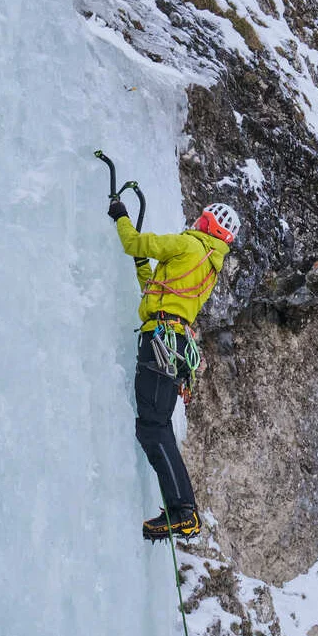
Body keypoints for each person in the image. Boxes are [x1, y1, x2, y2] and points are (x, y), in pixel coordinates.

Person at [107, 198, 241, 540]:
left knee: (153, 426)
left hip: (160, 341)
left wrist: (121, 217)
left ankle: (183, 511)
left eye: (202, 219)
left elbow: (133, 242)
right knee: (157, 425)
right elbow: (157, 292)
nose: (196, 222)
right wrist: (142, 263)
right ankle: (182, 509)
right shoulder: (209, 262)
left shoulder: (187, 243)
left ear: (210, 225)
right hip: (175, 343)